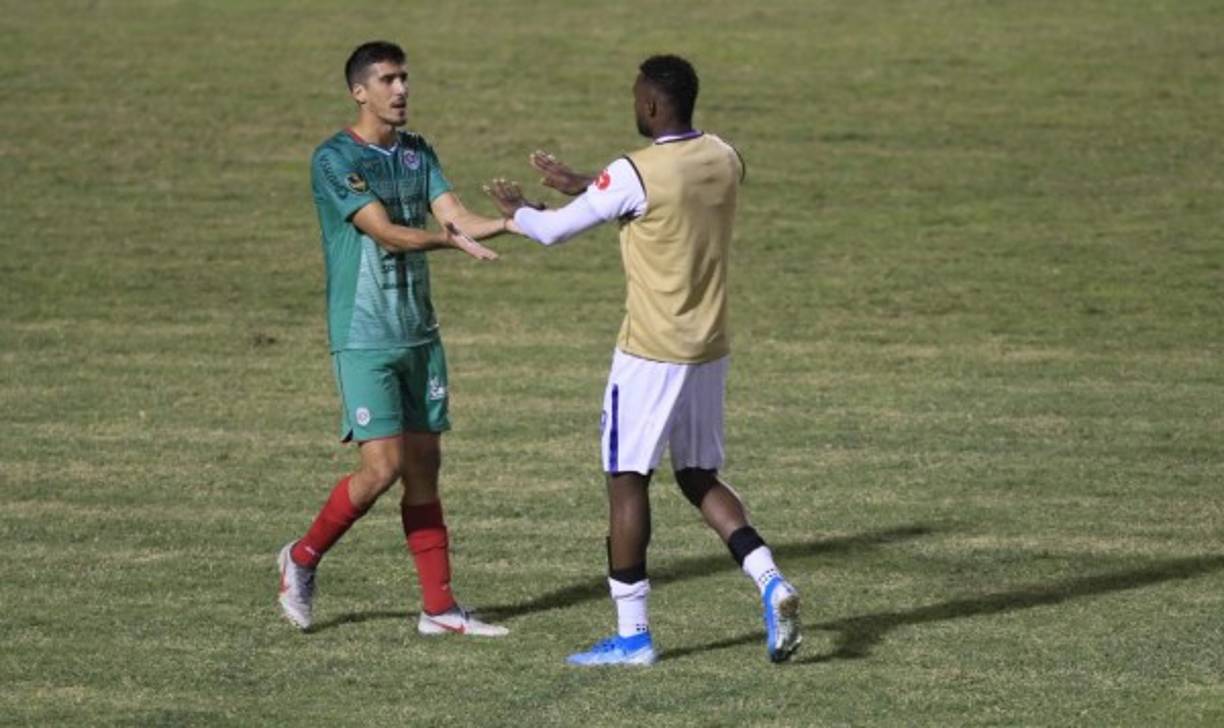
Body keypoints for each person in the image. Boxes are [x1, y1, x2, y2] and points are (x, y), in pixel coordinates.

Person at [485, 54, 801, 665]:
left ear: (652, 105)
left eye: (636, 98)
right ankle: (771, 581)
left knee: (627, 479)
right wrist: (588, 184)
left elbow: (553, 231)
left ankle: (633, 638)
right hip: (708, 347)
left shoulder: (633, 172)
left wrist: (516, 210)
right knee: (698, 474)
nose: (634, 106)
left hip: (650, 353)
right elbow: (666, 194)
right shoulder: (725, 156)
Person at [277, 40, 509, 637]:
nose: (401, 89)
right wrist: (448, 240)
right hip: (364, 335)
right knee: (381, 469)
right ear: (360, 91)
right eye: (387, 80)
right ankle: (301, 558)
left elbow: (456, 217)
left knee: (425, 467)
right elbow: (383, 232)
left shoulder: (416, 151)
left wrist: (518, 220)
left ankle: (439, 609)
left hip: (418, 333)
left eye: (404, 77)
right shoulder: (333, 158)